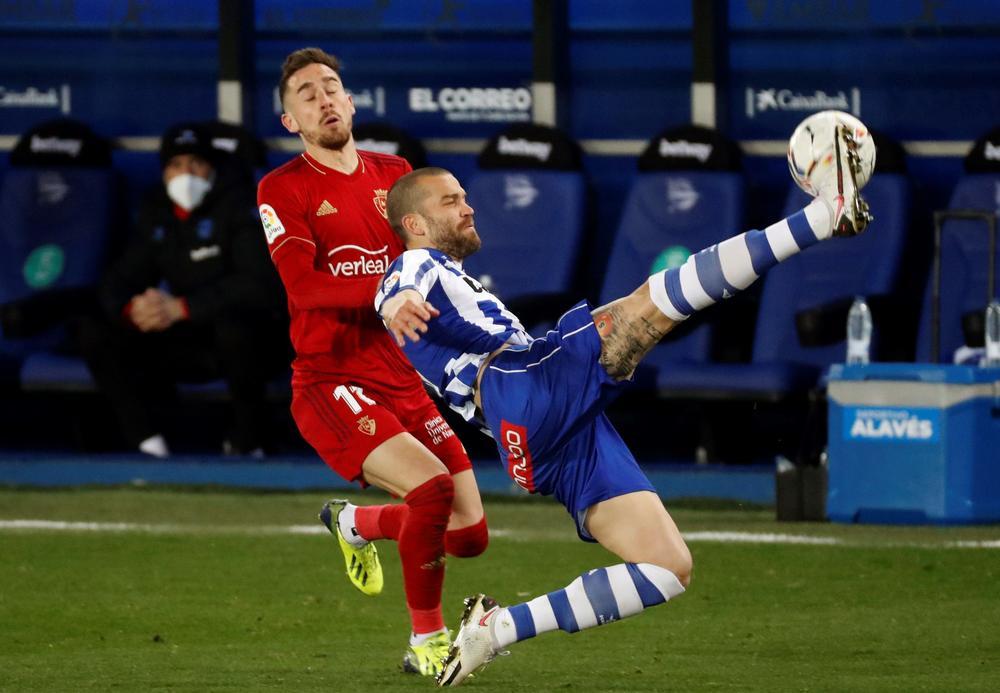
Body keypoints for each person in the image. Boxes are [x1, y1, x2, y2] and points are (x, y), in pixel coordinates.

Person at [375, 121, 872, 686]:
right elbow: (399, 286)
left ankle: (497, 628)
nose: (468, 207)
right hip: (525, 385)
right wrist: (400, 302)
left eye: (465, 196)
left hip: (538, 432)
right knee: (656, 299)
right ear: (414, 223)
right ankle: (821, 218)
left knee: (666, 568)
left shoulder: (453, 277)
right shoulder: (418, 266)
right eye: (450, 201)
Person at [255, 47, 488, 676]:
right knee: (433, 490)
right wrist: (387, 292)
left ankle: (355, 522)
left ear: (352, 101)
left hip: (400, 375)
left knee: (469, 535)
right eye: (306, 94)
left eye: (332, 87)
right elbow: (303, 289)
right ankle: (427, 642)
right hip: (332, 380)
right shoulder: (283, 188)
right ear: (290, 121)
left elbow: (433, 258)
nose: (324, 98)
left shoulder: (397, 173)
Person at [79, 122, 288, 457]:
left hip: (250, 340)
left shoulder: (243, 204)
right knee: (92, 328)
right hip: (183, 336)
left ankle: (251, 441)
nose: (185, 173)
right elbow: (121, 278)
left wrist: (184, 307)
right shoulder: (157, 210)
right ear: (164, 172)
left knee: (236, 330)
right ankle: (146, 442)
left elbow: (259, 286)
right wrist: (134, 309)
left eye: (196, 163)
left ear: (211, 168)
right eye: (176, 165)